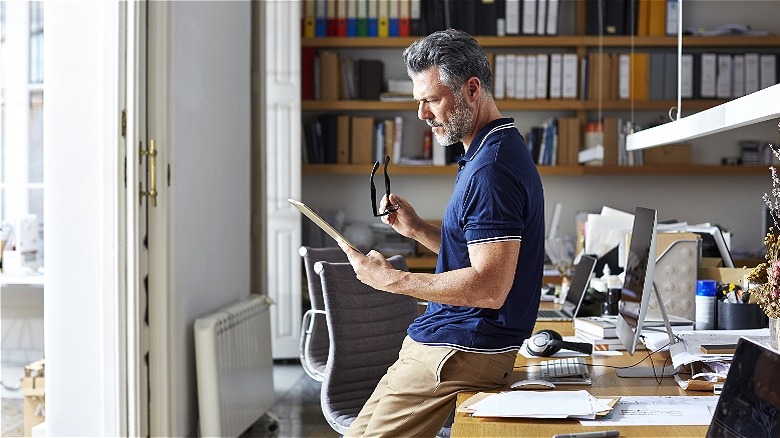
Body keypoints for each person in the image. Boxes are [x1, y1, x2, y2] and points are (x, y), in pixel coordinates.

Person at [338, 28, 545, 437]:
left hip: (460, 346)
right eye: (419, 101)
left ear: (472, 89)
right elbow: (480, 255)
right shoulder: (488, 151)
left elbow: (488, 287)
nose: (422, 115)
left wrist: (391, 280)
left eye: (432, 100)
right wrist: (417, 230)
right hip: (449, 339)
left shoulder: (491, 171)